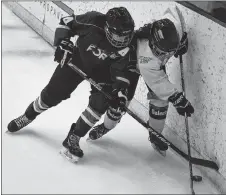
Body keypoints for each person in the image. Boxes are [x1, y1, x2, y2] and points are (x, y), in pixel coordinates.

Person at [7, 7, 138, 162]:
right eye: (119, 35)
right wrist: (63, 42)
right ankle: (28, 115)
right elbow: (66, 22)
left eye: (126, 35)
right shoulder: (94, 20)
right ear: (107, 28)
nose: (122, 40)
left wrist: (119, 91)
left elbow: (122, 72)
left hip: (104, 75)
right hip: (77, 61)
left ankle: (74, 136)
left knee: (100, 104)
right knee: (52, 94)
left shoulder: (130, 46)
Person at [87, 11, 194, 156]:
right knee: (119, 105)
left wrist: (180, 43)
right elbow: (157, 82)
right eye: (161, 52)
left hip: (153, 68)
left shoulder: (170, 31)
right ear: (152, 42)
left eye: (168, 53)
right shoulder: (147, 59)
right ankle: (106, 126)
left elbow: (174, 15)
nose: (164, 56)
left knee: (160, 101)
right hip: (130, 67)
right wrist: (177, 98)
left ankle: (155, 134)